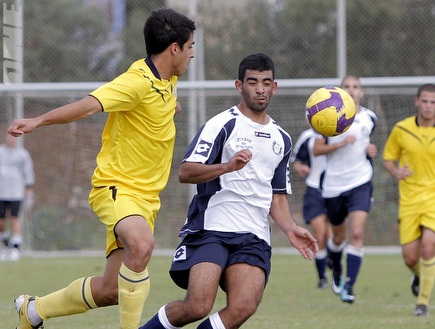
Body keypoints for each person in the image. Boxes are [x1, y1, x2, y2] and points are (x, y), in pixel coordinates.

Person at [8, 8, 195, 329]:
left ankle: (34, 311)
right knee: (143, 245)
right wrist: (38, 120)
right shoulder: (135, 82)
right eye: (190, 46)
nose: (193, 53)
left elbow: (160, 106)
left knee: (112, 291)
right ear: (174, 49)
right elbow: (88, 105)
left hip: (145, 199)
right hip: (116, 188)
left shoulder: (169, 79)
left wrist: (170, 107)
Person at [138, 53, 318, 329]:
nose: (260, 89)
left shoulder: (282, 138)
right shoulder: (222, 124)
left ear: (275, 87)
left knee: (243, 307)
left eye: (266, 83)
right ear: (239, 85)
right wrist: (226, 167)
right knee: (197, 305)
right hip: (213, 228)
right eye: (253, 82)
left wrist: (292, 229)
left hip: (254, 235)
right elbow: (186, 172)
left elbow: (277, 195)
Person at [312, 75, 377, 303]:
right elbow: (316, 150)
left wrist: (371, 150)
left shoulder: (370, 118)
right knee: (338, 237)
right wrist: (340, 143)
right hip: (333, 186)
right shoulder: (328, 116)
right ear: (340, 91)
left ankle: (349, 286)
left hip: (360, 182)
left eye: (355, 87)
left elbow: (367, 143)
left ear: (361, 92)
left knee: (357, 233)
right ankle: (336, 268)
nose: (351, 90)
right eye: (347, 86)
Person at [383, 83, 435, 317]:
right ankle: (422, 275)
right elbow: (388, 158)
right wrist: (395, 172)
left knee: (428, 247)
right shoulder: (402, 129)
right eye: (425, 101)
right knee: (410, 257)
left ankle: (422, 304)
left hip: (433, 198)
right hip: (410, 200)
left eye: (433, 102)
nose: (429, 106)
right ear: (417, 102)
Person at [291, 128, 332, 289]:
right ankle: (322, 278)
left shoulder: (343, 134)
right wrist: (300, 167)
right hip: (315, 190)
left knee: (332, 235)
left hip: (337, 189)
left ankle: (332, 261)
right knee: (320, 235)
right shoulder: (307, 136)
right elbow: (297, 162)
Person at [0, 133, 35, 261]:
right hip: (1, 192)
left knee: (15, 218)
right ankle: (7, 245)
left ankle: (16, 248)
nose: (11, 139)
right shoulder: (1, 152)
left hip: (15, 193)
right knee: (1, 222)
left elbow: (28, 171)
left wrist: (29, 190)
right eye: (9, 136)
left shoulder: (23, 154)